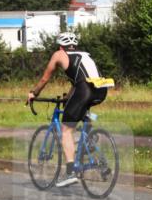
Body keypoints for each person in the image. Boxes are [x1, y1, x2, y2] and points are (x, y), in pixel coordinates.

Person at [26, 31, 110, 187]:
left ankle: (70, 172)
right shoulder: (85, 55)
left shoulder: (59, 54)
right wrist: (68, 97)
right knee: (80, 113)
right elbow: (79, 81)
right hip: (102, 90)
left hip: (85, 91)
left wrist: (34, 93)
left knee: (66, 130)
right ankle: (90, 142)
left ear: (60, 46)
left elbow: (45, 78)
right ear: (74, 45)